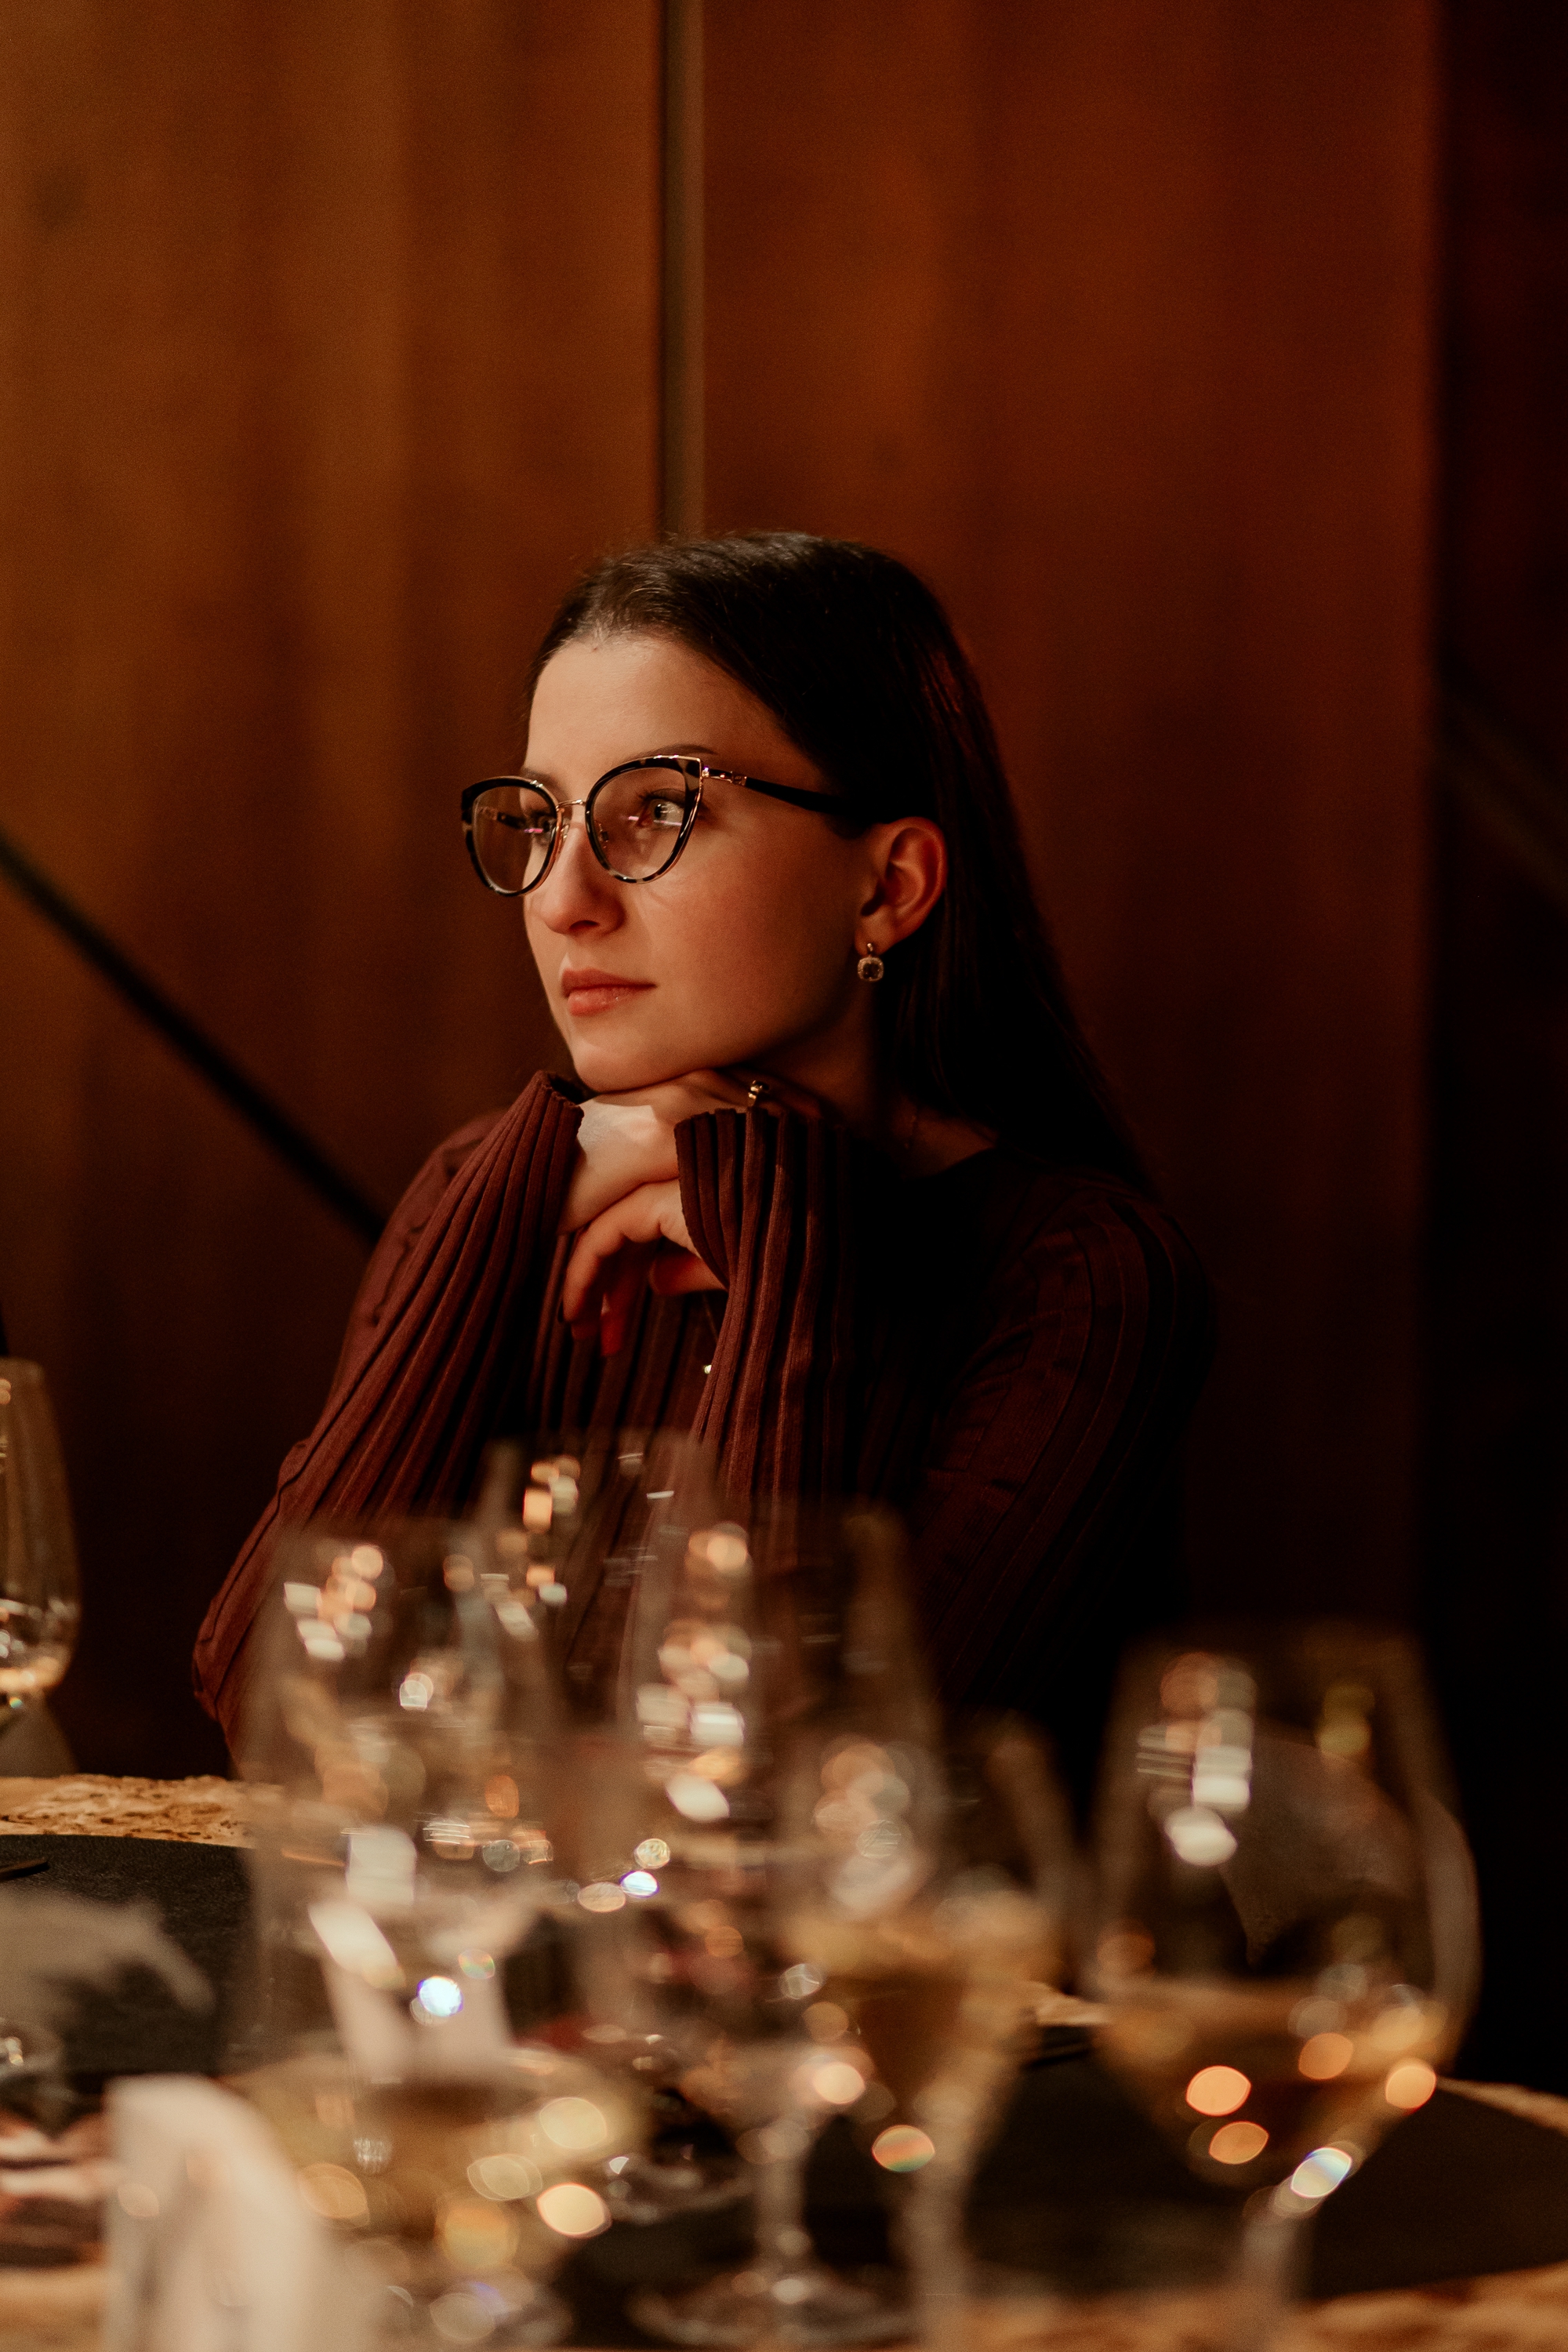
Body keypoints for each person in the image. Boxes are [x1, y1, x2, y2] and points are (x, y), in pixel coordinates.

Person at [194, 533, 1211, 1794]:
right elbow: (277, 1714)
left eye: (658, 812)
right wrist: (513, 1187)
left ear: (888, 888)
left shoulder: (1083, 1280)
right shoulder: (492, 1185)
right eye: (541, 821)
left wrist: (782, 1232)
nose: (562, 898)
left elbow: (788, 1805)